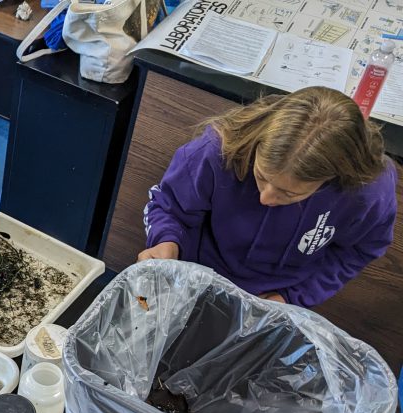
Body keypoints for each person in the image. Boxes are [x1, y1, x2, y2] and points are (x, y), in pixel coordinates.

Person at [137, 87, 397, 307]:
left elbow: (359, 251)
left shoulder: (366, 193)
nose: (266, 198)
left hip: (276, 296)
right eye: (261, 176)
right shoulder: (216, 152)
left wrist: (293, 297)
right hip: (195, 271)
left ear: (331, 179)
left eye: (289, 193)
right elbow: (169, 207)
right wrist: (166, 241)